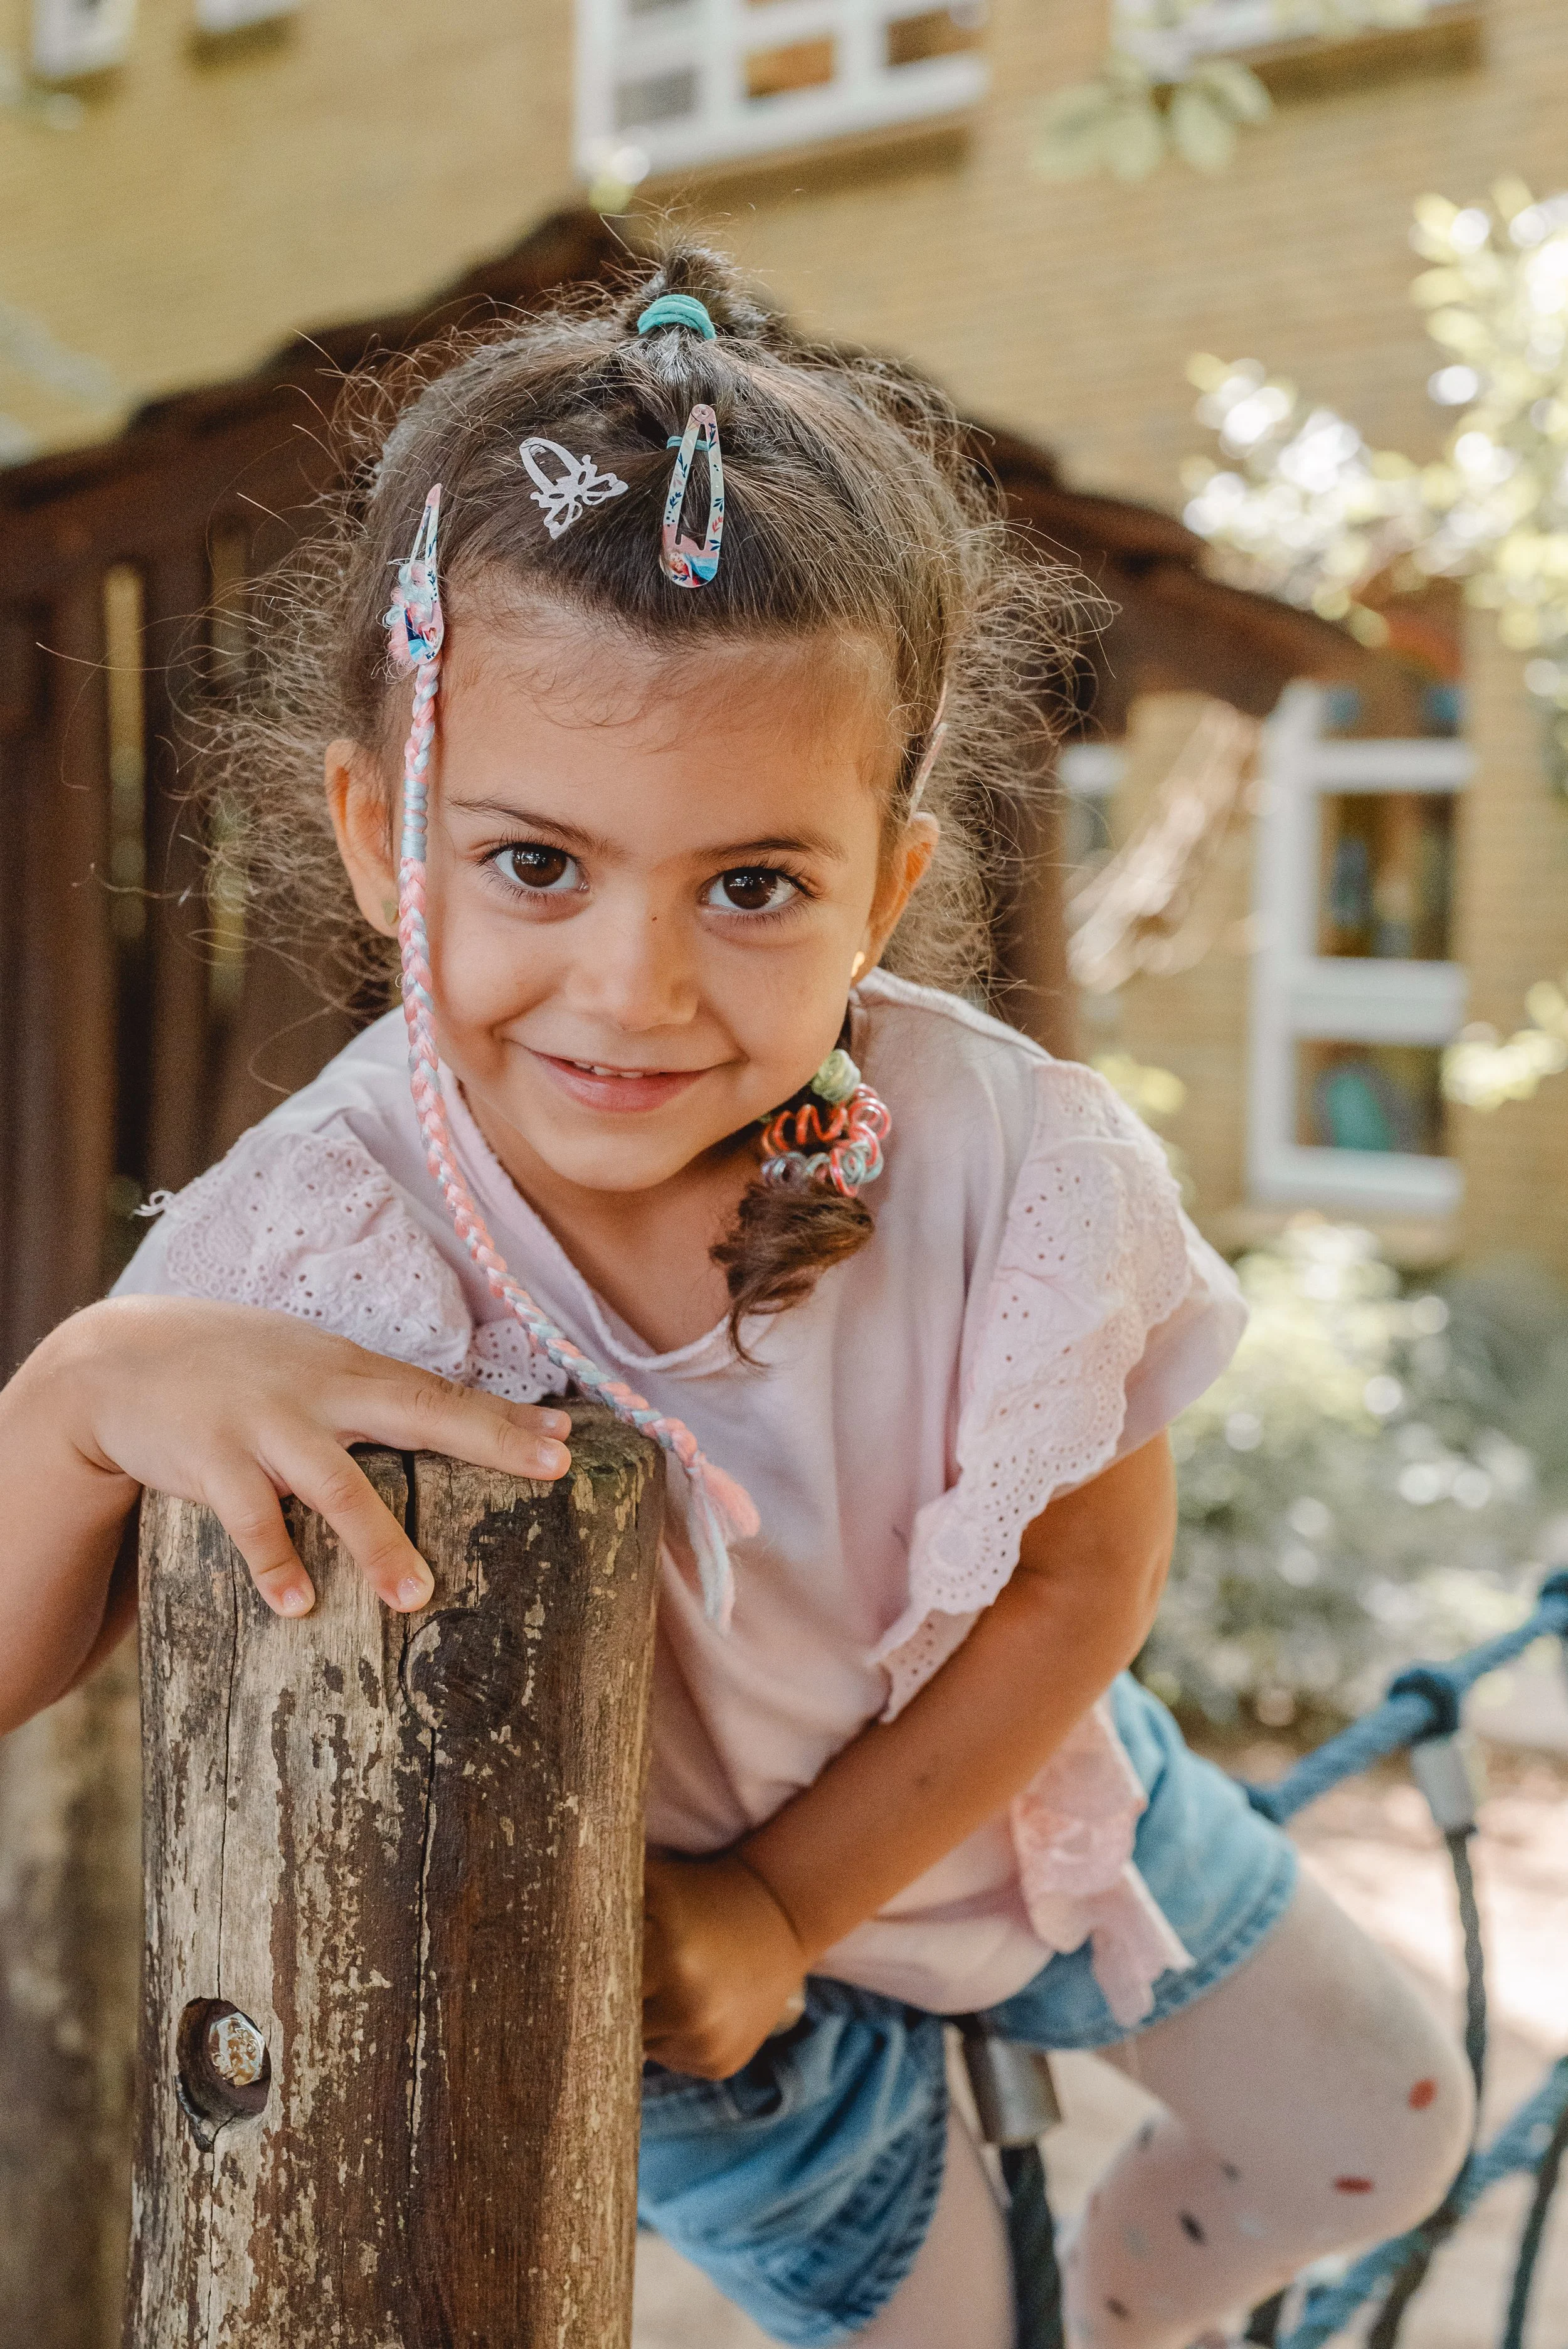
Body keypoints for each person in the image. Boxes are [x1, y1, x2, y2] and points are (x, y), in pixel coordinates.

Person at [0, 247, 1470, 2348]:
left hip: (1007, 1796)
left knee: (1380, 2125)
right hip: (671, 1962)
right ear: (371, 837)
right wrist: (78, 1395)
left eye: (754, 886)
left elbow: (1078, 1578)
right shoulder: (316, 1243)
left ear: (885, 879)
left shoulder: (1010, 1159)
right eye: (532, 866)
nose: (637, 988)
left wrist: (806, 1896)